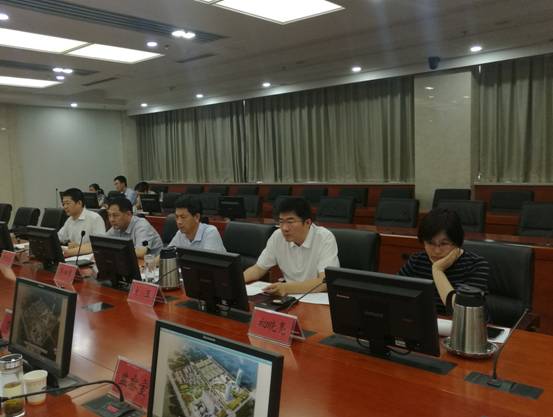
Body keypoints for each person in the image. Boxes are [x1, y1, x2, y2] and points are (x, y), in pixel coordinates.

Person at [398, 208, 490, 315]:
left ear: (457, 242)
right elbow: (393, 294)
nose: (437, 251)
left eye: (444, 244)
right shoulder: (416, 261)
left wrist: (437, 270)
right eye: (430, 243)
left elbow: (463, 313)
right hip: (426, 322)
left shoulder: (476, 265)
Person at [243, 197, 339, 296]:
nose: (284, 228)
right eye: (281, 222)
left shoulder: (324, 238)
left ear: (307, 222)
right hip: (289, 296)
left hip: (317, 297)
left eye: (290, 222)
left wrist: (286, 288)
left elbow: (324, 282)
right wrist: (238, 280)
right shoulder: (277, 236)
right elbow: (258, 269)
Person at [58, 188, 106, 257]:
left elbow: (99, 244)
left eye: (68, 203)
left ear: (79, 203)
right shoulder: (69, 220)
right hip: (74, 257)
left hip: (89, 260)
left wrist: (73, 250)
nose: (65, 207)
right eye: (63, 204)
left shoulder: (95, 218)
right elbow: (59, 238)